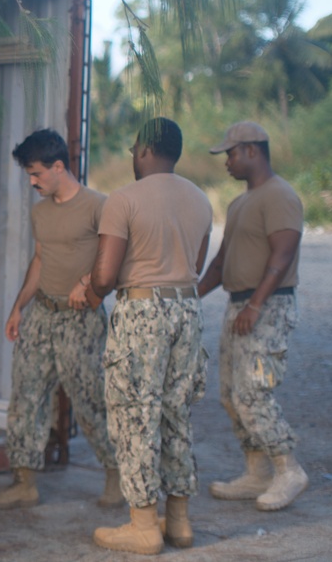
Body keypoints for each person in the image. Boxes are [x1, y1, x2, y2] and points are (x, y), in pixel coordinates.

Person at [87, 117, 212, 555]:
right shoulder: (201, 199)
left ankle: (142, 526)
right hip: (187, 309)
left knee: (134, 415)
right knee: (176, 413)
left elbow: (104, 277)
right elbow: (196, 262)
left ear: (142, 151)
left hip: (142, 311)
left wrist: (87, 288)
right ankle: (178, 522)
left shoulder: (123, 200)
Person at [0, 129, 123, 510]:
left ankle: (116, 473)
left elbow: (114, 259)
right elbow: (40, 260)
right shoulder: (40, 211)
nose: (31, 182)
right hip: (42, 313)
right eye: (29, 175)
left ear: (58, 167)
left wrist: (87, 283)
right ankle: (24, 481)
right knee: (26, 395)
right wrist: (18, 307)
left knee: (90, 399)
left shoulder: (100, 206)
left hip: (80, 318)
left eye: (36, 174)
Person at [197, 121, 309, 512]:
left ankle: (288, 469)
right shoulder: (241, 202)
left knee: (252, 392)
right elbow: (222, 261)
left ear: (252, 151)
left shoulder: (280, 196)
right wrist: (190, 296)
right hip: (240, 305)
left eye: (230, 153)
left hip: (267, 306)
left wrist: (257, 305)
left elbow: (284, 254)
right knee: (230, 395)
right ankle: (257, 471)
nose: (226, 161)